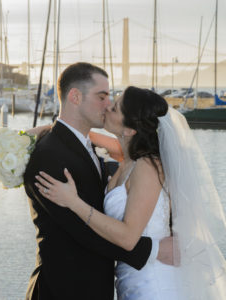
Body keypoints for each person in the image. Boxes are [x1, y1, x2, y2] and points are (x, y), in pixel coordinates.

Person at [35, 86, 226, 300]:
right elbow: (92, 139)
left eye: (115, 108)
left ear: (129, 130)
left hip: (153, 284)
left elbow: (127, 238)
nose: (107, 107)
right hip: (131, 279)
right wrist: (50, 130)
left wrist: (73, 201)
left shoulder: (148, 167)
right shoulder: (129, 159)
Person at [24, 63, 172, 300]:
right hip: (65, 290)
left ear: (131, 128)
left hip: (123, 285)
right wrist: (152, 250)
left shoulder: (108, 152)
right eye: (102, 97)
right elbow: (80, 231)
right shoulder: (49, 155)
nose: (108, 105)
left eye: (112, 101)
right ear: (75, 96)